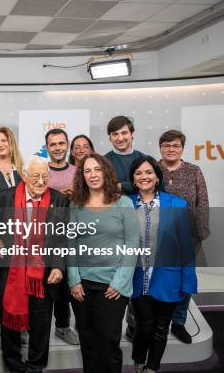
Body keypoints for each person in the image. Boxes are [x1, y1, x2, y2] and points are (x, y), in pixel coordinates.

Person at [67, 153, 139, 373]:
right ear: (82, 176)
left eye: (97, 169)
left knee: (108, 343)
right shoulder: (75, 205)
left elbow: (132, 245)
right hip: (82, 287)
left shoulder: (123, 203)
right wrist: (73, 280)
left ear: (106, 172)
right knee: (87, 342)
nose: (92, 174)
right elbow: (70, 244)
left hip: (112, 287)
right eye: (87, 171)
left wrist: (119, 283)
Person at [0, 156, 69, 373]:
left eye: (45, 176)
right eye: (35, 176)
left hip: (44, 272)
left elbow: (61, 237)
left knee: (41, 321)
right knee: (9, 319)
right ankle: (14, 365)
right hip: (12, 271)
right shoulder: (5, 198)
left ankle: (36, 366)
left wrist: (58, 266)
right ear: (24, 176)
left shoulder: (59, 200)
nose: (40, 181)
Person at [128, 156, 197, 373]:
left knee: (161, 328)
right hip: (138, 279)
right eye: (138, 173)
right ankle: (139, 363)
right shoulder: (125, 204)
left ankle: (152, 368)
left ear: (157, 177)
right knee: (143, 326)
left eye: (148, 172)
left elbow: (186, 247)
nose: (144, 176)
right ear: (133, 178)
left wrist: (188, 282)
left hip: (168, 278)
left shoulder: (177, 204)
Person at [157, 130, 209, 344]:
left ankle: (179, 322)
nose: (171, 149)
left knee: (184, 282)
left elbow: (203, 202)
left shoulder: (193, 171)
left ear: (182, 148)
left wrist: (200, 233)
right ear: (160, 147)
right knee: (157, 281)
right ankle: (159, 323)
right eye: (167, 145)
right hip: (157, 238)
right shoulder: (153, 168)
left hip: (187, 237)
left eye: (176, 145)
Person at [44, 128, 79, 346]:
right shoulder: (41, 171)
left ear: (67, 145)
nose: (57, 148)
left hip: (73, 232)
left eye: (61, 143)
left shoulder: (78, 171)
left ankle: (63, 326)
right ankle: (35, 326)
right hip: (46, 235)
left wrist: (76, 195)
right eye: (53, 144)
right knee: (46, 281)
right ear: (46, 147)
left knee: (66, 282)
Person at [104, 116, 145, 194]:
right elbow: (104, 188)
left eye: (124, 133)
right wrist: (136, 185)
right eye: (115, 134)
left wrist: (122, 186)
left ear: (132, 134)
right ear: (110, 138)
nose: (120, 138)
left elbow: (155, 184)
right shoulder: (103, 162)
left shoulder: (144, 159)